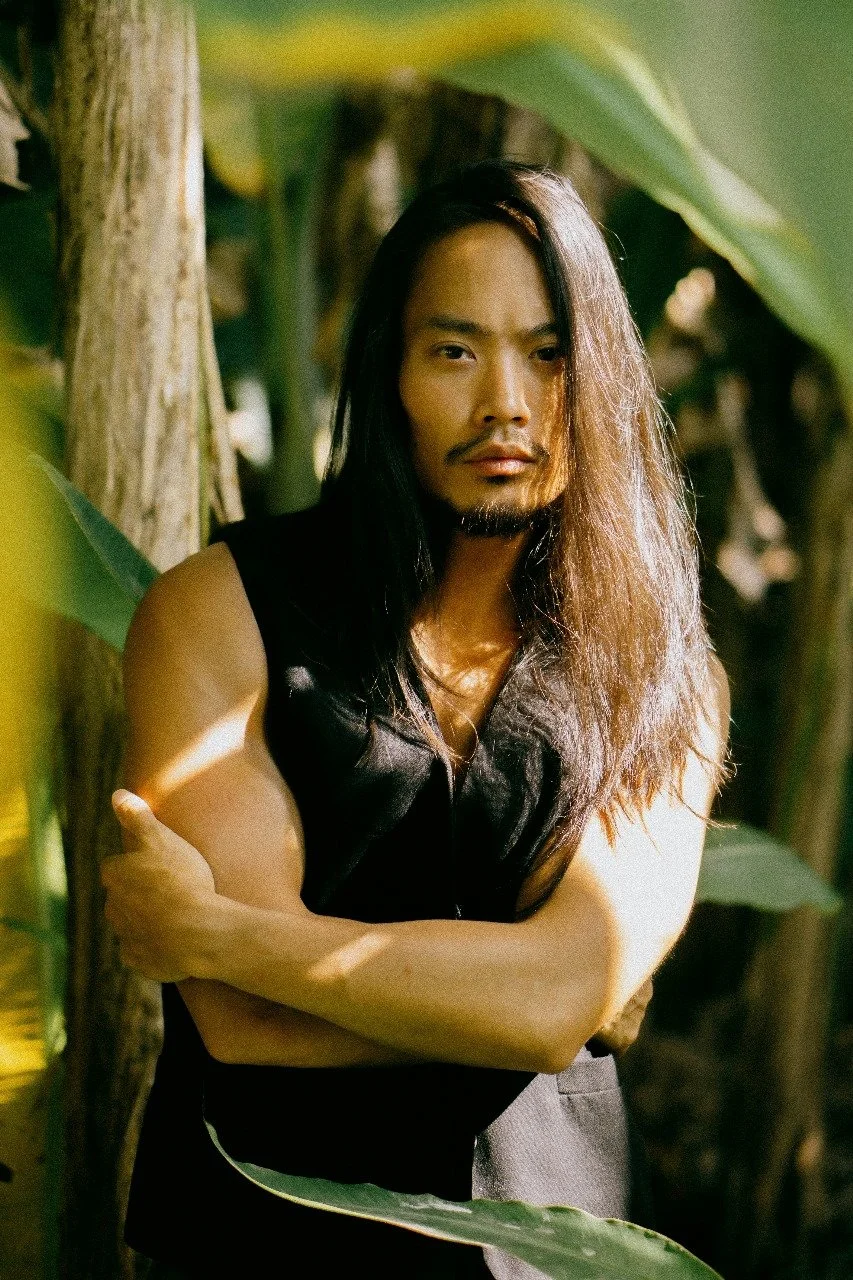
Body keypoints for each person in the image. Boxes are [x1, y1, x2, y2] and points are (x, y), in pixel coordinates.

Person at [101, 159, 730, 1279]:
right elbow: (246, 1027)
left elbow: (550, 1000)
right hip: (262, 1246)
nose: (506, 402)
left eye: (548, 353)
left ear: (603, 379)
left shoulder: (662, 669)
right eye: (454, 350)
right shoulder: (217, 612)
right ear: (389, 370)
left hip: (548, 1257)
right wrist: (525, 993)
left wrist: (226, 935)